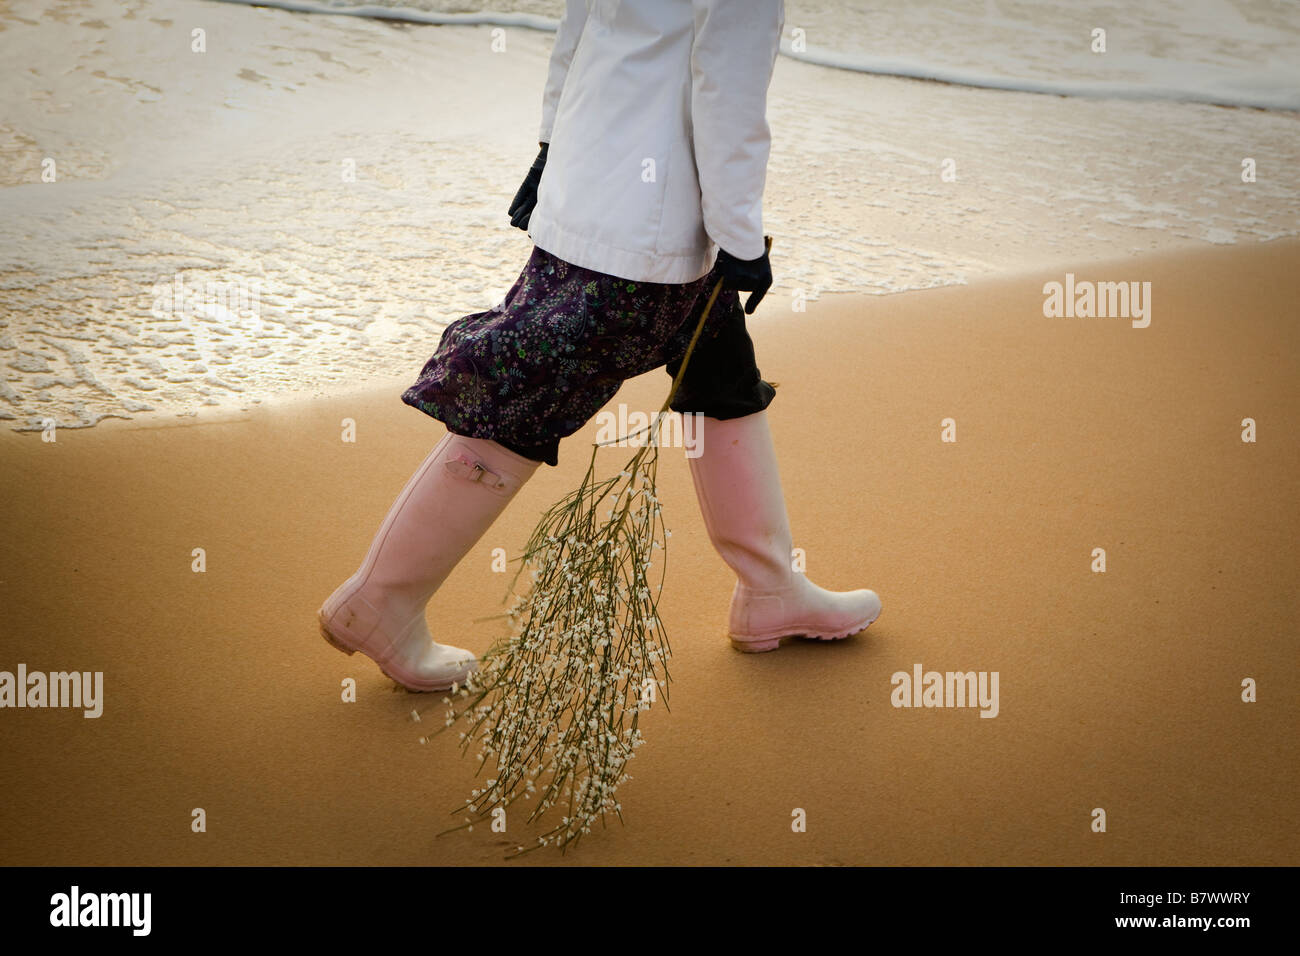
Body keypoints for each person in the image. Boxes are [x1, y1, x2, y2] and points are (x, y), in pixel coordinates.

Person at [318, 0, 881, 692]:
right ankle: (381, 599)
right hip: (652, 225)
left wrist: (550, 147)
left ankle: (770, 588)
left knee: (718, 367)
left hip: (590, 180)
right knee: (525, 394)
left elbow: (579, 24)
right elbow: (726, 88)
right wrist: (740, 236)